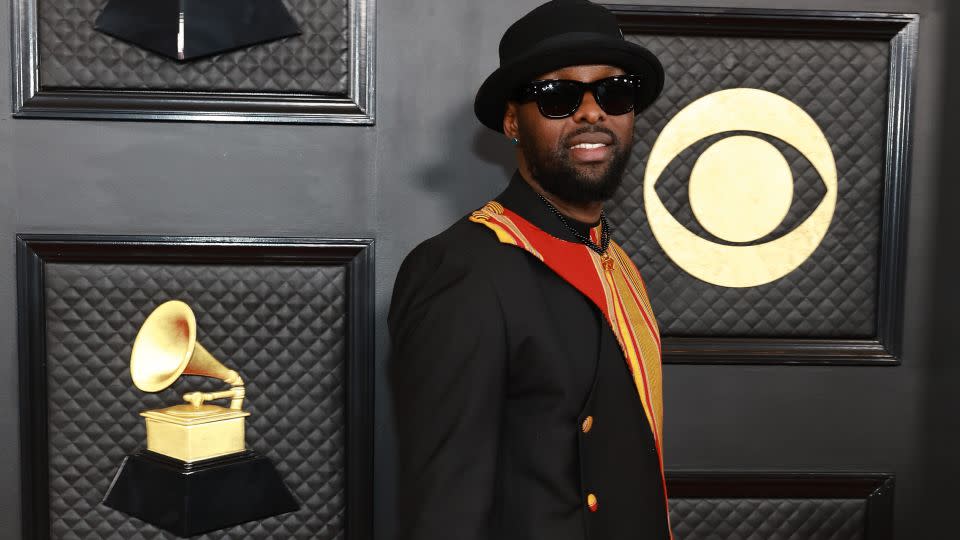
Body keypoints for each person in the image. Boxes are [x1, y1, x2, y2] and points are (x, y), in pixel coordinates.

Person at [389, 1, 671, 538]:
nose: (592, 113)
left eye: (613, 92)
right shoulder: (460, 270)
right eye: (559, 97)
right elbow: (445, 515)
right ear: (513, 121)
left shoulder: (617, 262)